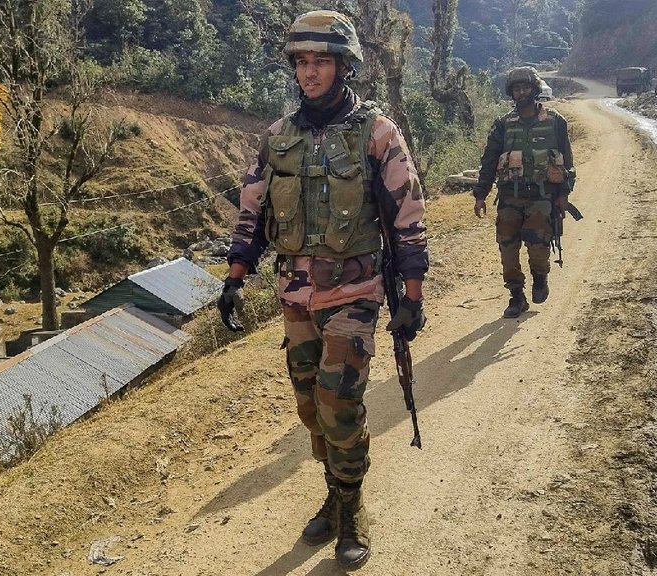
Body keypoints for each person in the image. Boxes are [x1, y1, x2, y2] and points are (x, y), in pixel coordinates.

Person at [217, 10, 428, 570]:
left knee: (340, 407)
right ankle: (335, 494)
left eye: (321, 62)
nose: (310, 73)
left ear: (344, 66)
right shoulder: (277, 138)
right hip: (295, 298)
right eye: (302, 63)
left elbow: (408, 218)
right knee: (310, 408)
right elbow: (252, 213)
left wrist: (412, 297)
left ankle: (354, 510)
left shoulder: (377, 133)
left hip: (355, 294)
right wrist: (234, 281)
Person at [471, 66, 576, 318]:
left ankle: (540, 277)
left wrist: (564, 194)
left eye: (526, 87)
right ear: (511, 93)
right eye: (516, 88)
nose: (521, 92)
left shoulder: (555, 122)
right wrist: (480, 194)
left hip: (542, 196)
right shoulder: (503, 125)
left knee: (538, 245)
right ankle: (516, 295)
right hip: (510, 196)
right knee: (507, 248)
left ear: (535, 89)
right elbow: (489, 160)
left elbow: (567, 163)